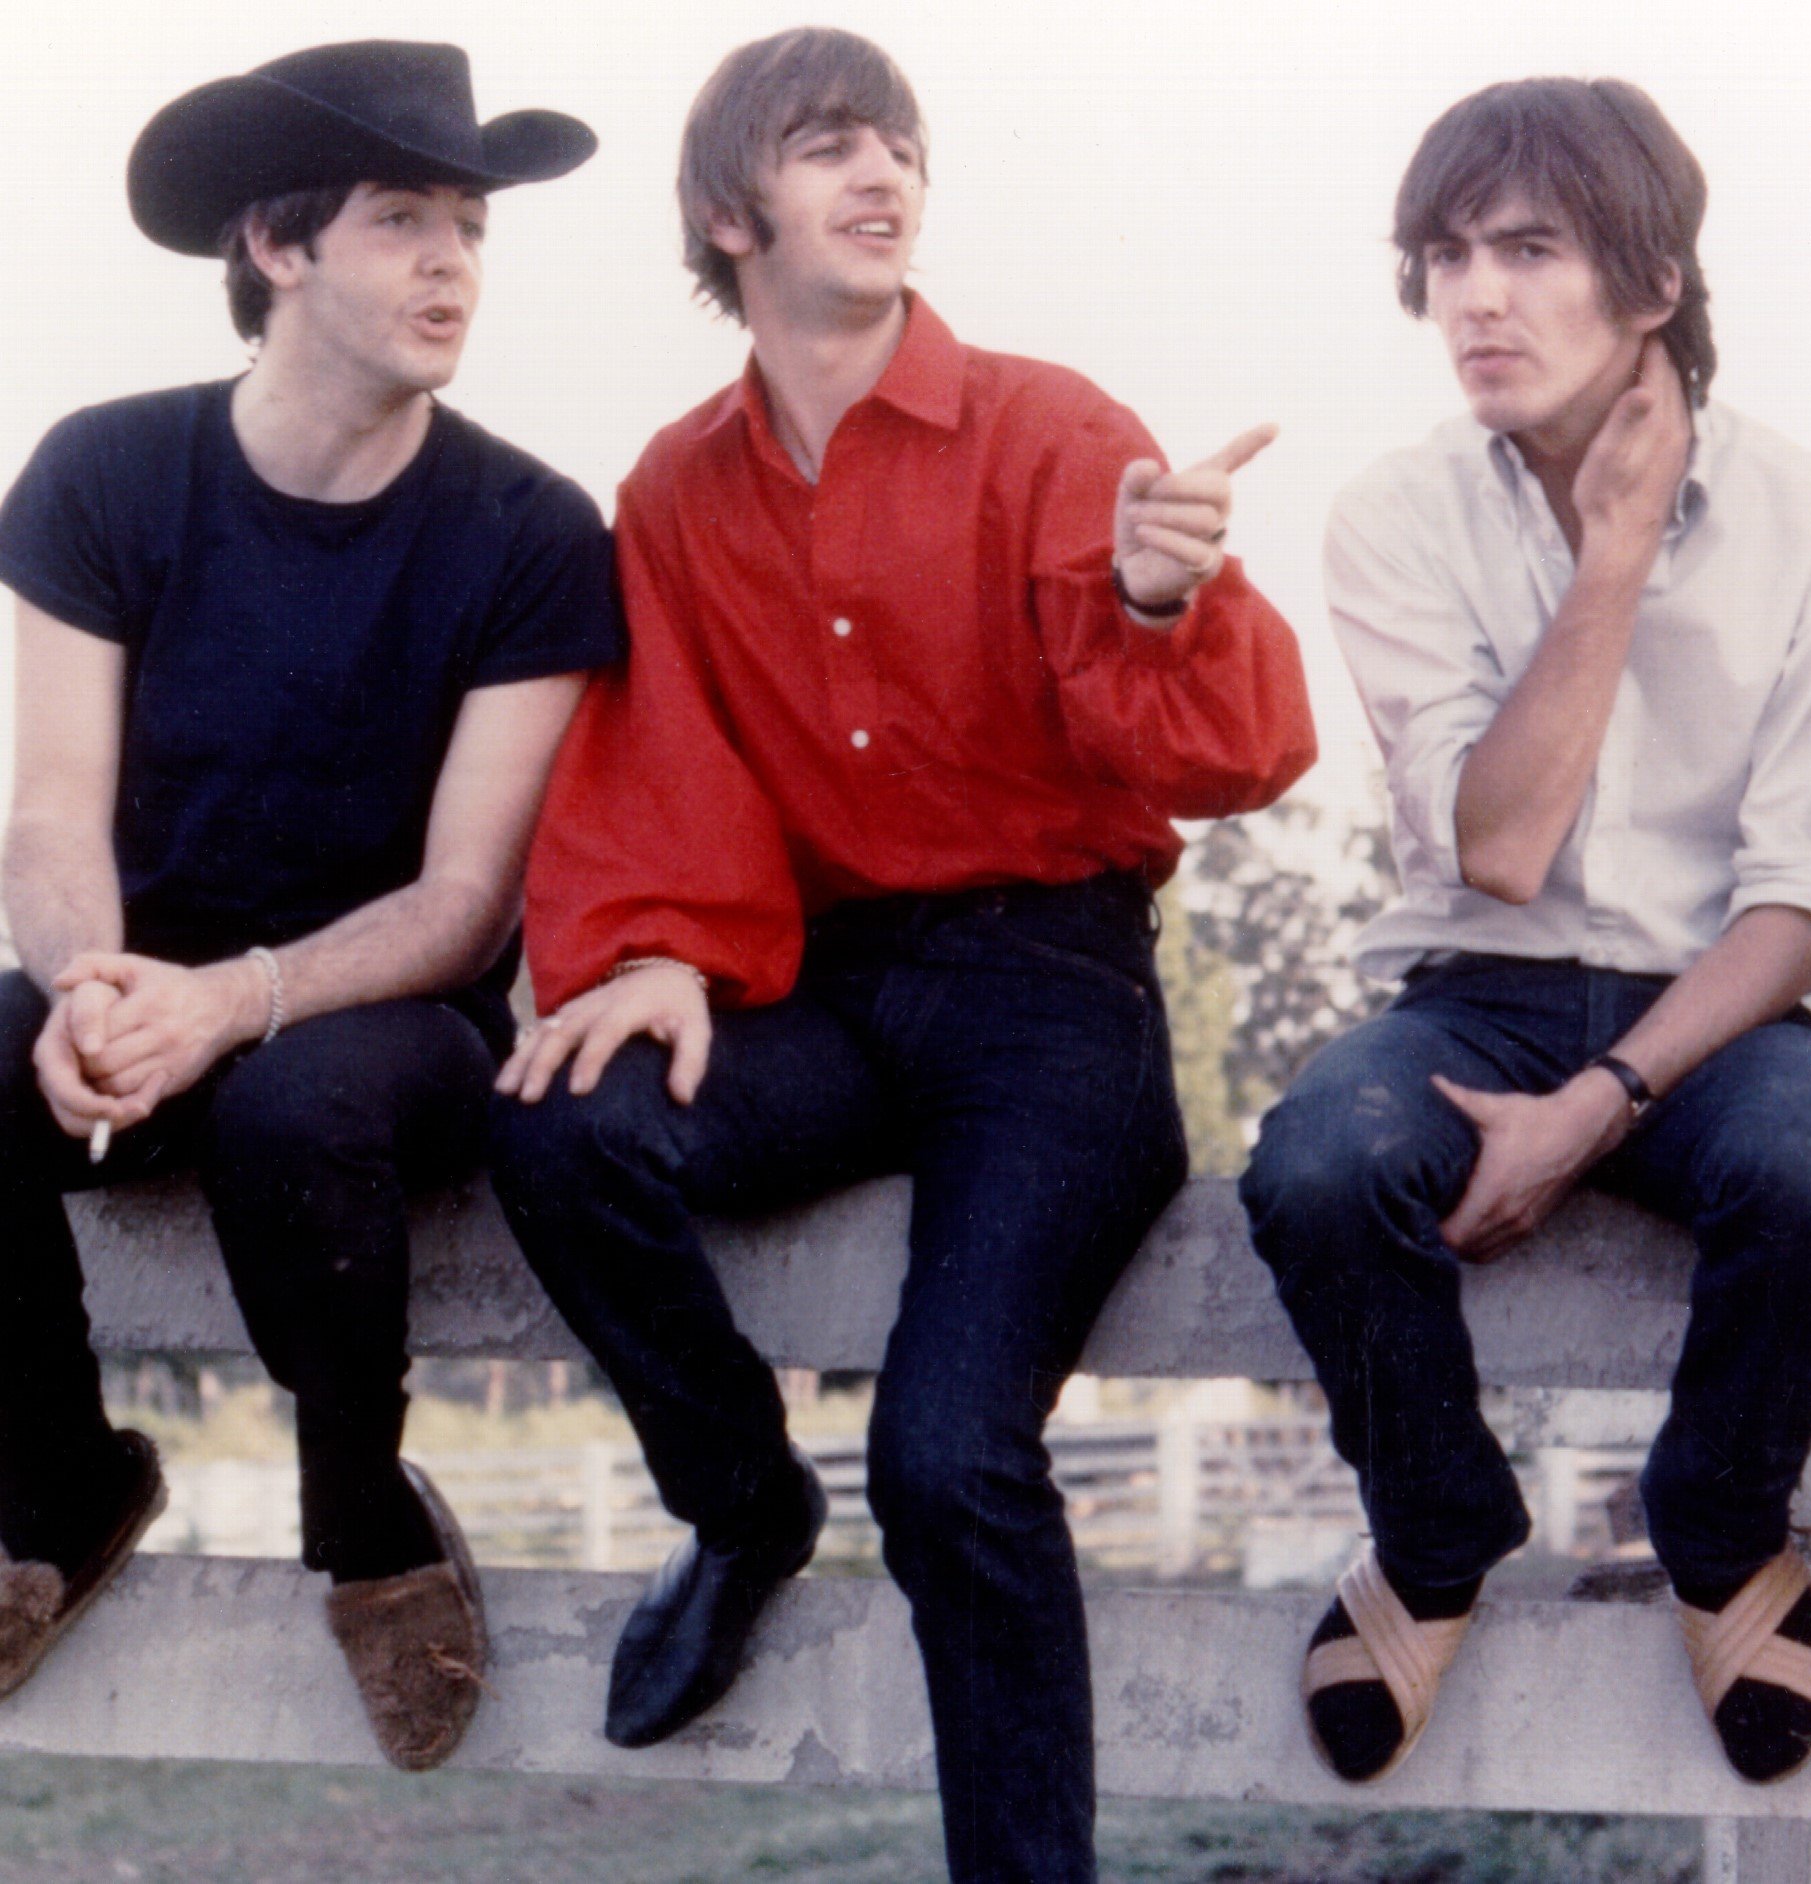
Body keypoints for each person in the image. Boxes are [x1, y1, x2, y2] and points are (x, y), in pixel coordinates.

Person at [485, 27, 1314, 1881]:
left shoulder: (1053, 431)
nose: (883, 173)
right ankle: (743, 1507)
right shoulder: (679, 489)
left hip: (1051, 996)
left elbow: (1241, 757)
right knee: (559, 1122)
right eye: (830, 145)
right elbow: (667, 752)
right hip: (823, 986)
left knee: (949, 1461)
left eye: (901, 146)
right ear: (728, 215)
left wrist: (1161, 600)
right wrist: (658, 952)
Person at [1239, 77, 1811, 1788]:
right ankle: (1437, 1525)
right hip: (1474, 992)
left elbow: (1800, 904)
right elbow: (1506, 847)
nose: (1473, 297)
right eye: (1446, 255)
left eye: (1528, 249)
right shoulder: (1398, 513)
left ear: (1653, 284)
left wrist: (1601, 1100)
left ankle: (1714, 1518)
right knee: (1318, 1164)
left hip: (1716, 1009)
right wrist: (1608, 561)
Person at [0, 41, 613, 1771]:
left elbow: (467, 897)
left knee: (292, 1101)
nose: (452, 267)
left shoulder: (530, 531)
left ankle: (363, 1518)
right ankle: (60, 1481)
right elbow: (46, 808)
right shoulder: (104, 475)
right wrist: (86, 986)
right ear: (277, 249)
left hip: (380, 1026)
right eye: (403, 219)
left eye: (471, 228)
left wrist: (230, 1000)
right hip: (139, 976)